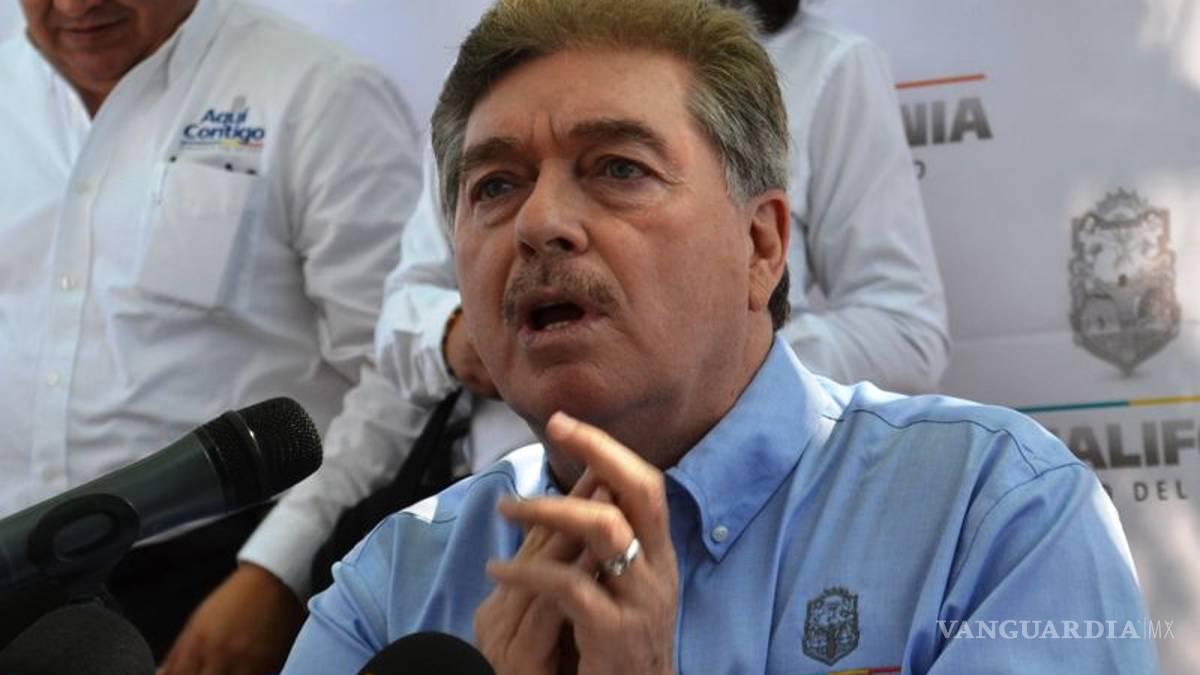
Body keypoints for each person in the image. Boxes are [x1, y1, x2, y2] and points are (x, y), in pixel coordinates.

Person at [282, 0, 1156, 672]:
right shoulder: (389, 591)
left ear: (762, 245)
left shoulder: (997, 515)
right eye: (496, 187)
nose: (541, 222)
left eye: (618, 168)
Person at [0, 0, 424, 670]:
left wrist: (278, 570)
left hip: (219, 573)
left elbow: (400, 369)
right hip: (14, 567)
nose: (76, 6)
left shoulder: (319, 94)